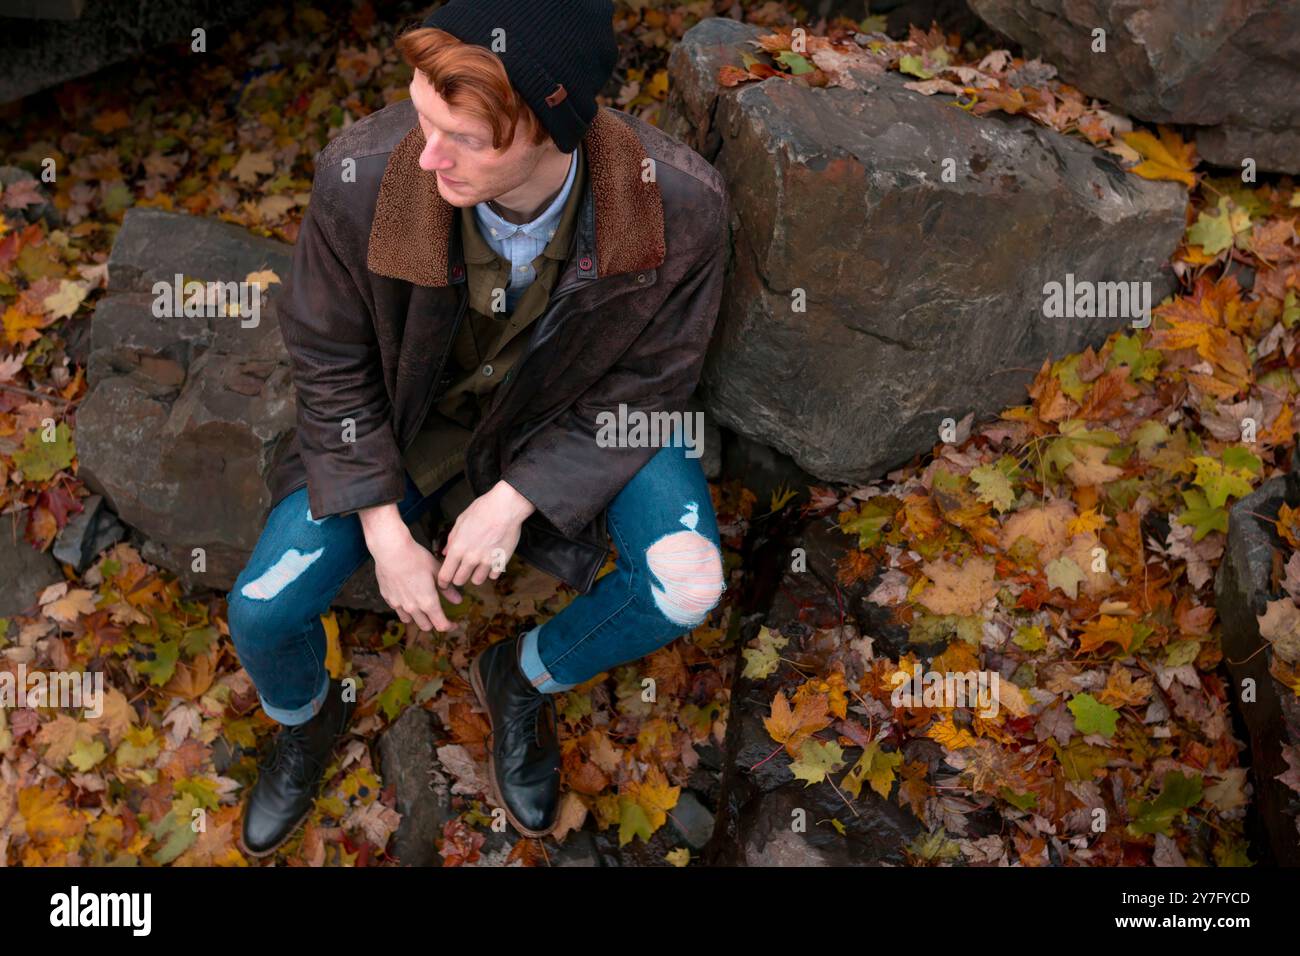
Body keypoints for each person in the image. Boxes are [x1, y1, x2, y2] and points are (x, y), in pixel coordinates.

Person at [226, 0, 730, 858]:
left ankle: (521, 677)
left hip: (571, 428)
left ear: (550, 131)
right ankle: (307, 720)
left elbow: (653, 385)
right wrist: (383, 530)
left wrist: (518, 495)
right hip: (405, 429)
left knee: (688, 584)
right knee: (261, 612)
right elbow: (326, 357)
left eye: (463, 137)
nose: (428, 156)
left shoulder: (677, 206)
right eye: (422, 118)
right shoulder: (361, 177)